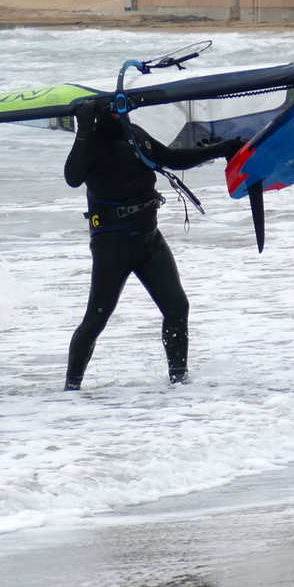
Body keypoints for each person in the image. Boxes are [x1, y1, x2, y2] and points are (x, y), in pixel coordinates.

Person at [62, 97, 243, 390]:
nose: (123, 116)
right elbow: (72, 177)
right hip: (112, 246)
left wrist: (222, 149)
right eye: (116, 113)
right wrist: (83, 127)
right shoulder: (92, 142)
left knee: (177, 307)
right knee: (95, 320)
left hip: (149, 239)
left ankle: (179, 379)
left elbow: (171, 159)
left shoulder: (135, 136)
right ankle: (71, 388)